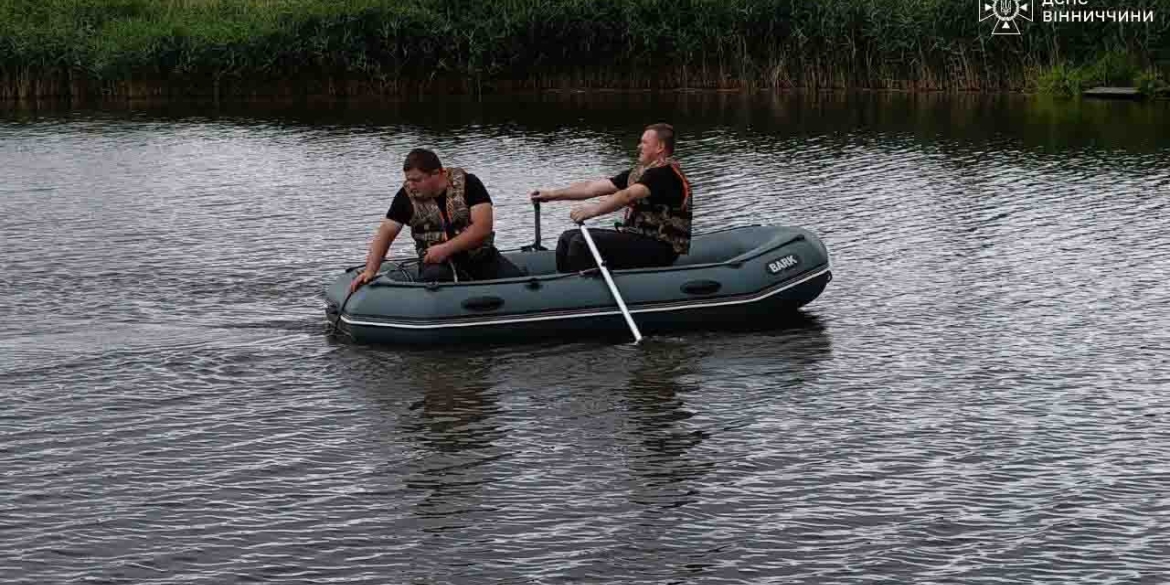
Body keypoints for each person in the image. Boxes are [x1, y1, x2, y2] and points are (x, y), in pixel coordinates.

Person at [349, 148, 522, 292]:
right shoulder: (405, 196)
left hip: (481, 257)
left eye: (416, 180)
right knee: (432, 283)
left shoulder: (470, 183)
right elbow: (386, 232)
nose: (410, 185)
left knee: (518, 284)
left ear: (437, 174)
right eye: (408, 179)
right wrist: (370, 270)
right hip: (436, 265)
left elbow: (483, 228)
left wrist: (445, 249)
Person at [530, 123, 692, 273]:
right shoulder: (640, 173)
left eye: (644, 143)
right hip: (638, 237)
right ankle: (564, 287)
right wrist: (551, 195)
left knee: (582, 242)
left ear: (660, 147)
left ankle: (584, 292)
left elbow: (627, 195)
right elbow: (590, 188)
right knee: (567, 238)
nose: (639, 146)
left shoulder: (665, 174)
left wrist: (591, 211)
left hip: (660, 248)